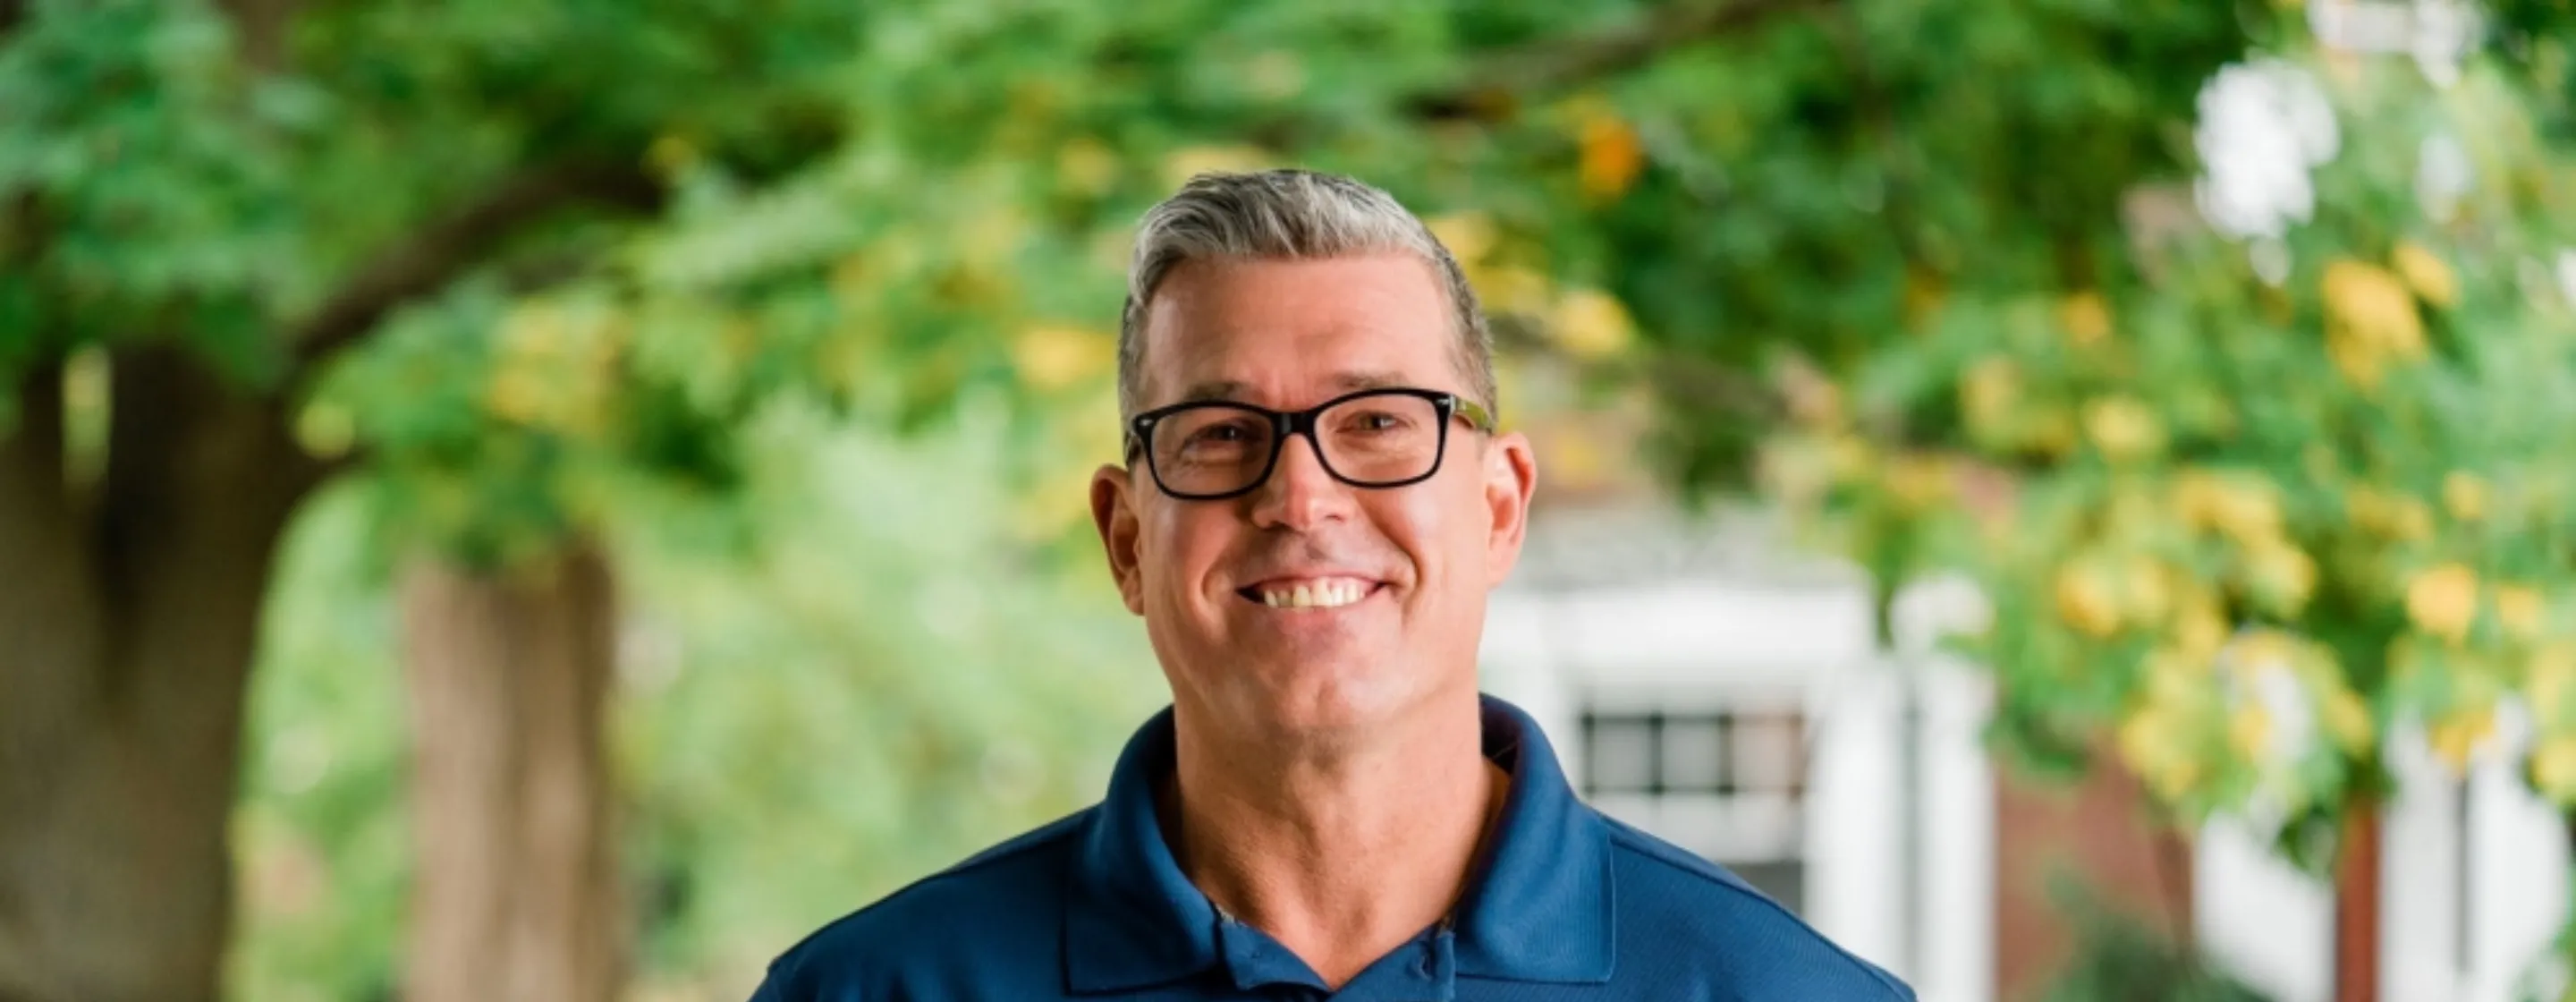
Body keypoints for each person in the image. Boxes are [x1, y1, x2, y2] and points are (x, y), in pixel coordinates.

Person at [749, 169, 1912, 1000]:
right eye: (1217, 432)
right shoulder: (878, 989)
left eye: (1377, 422)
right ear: (1125, 541)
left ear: (1500, 506)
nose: (1301, 498)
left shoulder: (1780, 991)